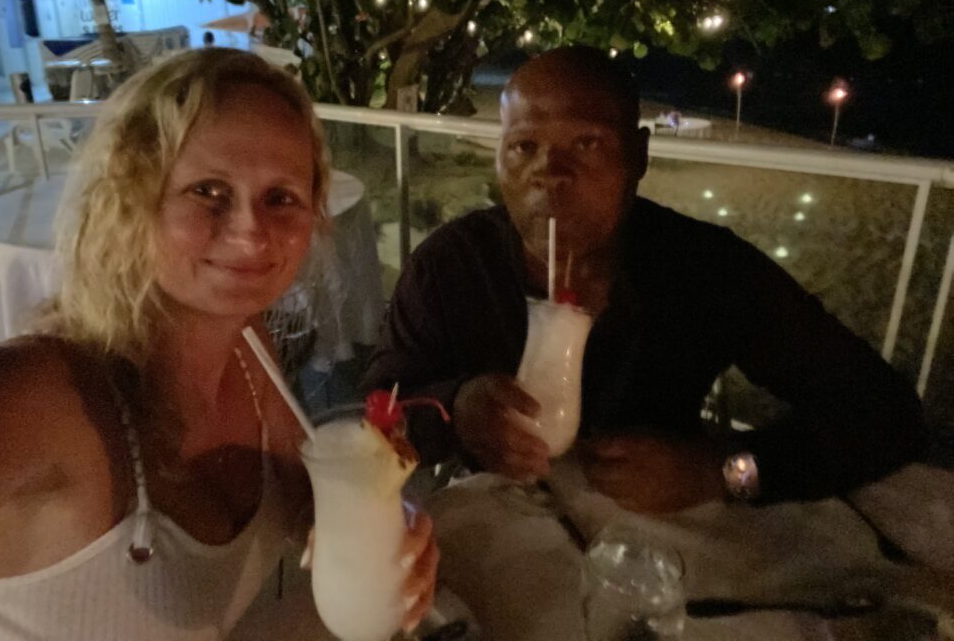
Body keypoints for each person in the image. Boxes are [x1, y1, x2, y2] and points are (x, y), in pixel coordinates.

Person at [0, 48, 437, 639]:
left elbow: (309, 501)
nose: (251, 232)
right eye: (208, 191)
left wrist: (385, 521)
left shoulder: (249, 349)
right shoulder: (28, 400)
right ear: (132, 197)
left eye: (281, 198)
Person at [364, 45, 926, 512]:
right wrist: (456, 411)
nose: (549, 174)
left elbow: (884, 412)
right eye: (523, 147)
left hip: (660, 535)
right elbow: (378, 410)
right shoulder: (450, 266)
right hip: (496, 525)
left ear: (638, 156)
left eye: (587, 143)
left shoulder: (705, 268)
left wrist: (720, 471)